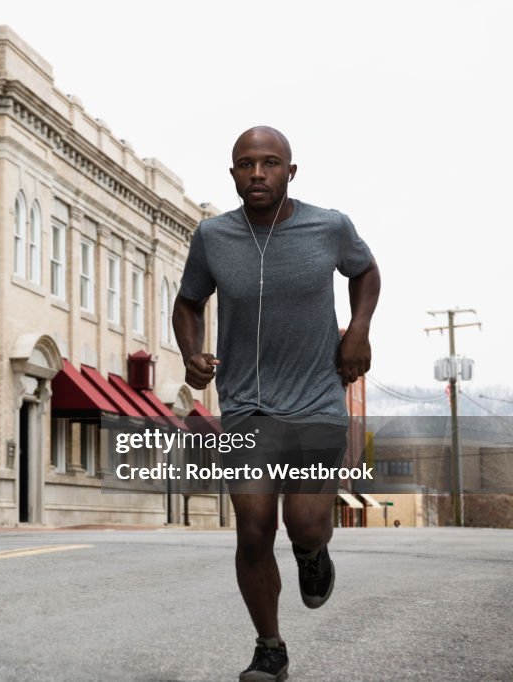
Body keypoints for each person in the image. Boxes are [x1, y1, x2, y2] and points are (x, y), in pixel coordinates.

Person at [173, 126, 381, 681]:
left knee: (306, 524)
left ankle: (314, 554)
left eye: (270, 163)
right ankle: (270, 646)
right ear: (233, 173)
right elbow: (188, 303)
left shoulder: (329, 227)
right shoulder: (213, 236)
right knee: (253, 529)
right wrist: (191, 353)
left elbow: (365, 271)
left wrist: (357, 330)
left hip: (315, 399)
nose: (257, 173)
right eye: (246, 164)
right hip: (246, 405)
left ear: (291, 172)